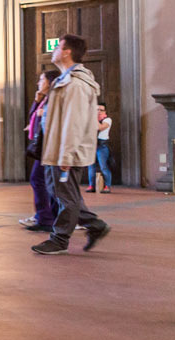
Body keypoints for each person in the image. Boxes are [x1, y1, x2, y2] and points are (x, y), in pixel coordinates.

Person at [31, 35, 112, 255]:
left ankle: (59, 239)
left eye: (57, 47)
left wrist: (66, 155)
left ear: (67, 52)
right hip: (56, 148)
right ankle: (95, 225)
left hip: (64, 150)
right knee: (60, 192)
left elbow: (73, 123)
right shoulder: (65, 80)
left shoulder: (75, 84)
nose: (54, 50)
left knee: (65, 196)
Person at [19, 70, 61, 233]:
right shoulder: (45, 100)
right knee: (46, 182)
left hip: (50, 146)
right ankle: (49, 217)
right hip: (44, 146)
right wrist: (36, 102)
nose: (38, 83)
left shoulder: (55, 99)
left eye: (41, 80)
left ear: (50, 82)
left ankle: (46, 218)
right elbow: (33, 118)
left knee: (39, 180)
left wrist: (45, 113)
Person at [86, 103, 113, 193]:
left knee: (103, 166)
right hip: (92, 145)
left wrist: (94, 118)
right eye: (97, 109)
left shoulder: (107, 120)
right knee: (91, 166)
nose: (99, 112)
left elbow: (100, 127)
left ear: (105, 111)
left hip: (102, 145)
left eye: (101, 110)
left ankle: (107, 186)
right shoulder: (91, 120)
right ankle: (91, 185)